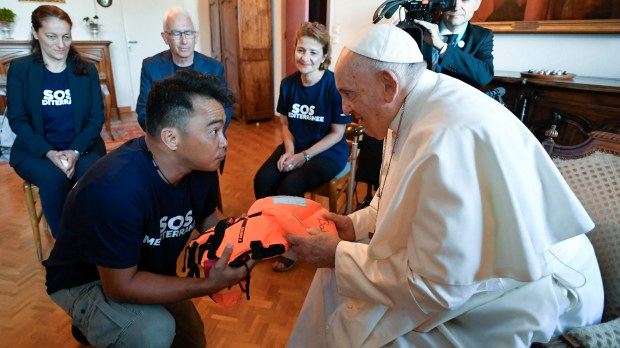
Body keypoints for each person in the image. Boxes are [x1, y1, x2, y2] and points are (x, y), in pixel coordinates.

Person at [285, 23, 604, 347]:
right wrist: (353, 226)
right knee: (334, 279)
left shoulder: (447, 140)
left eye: (349, 94)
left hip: (530, 286)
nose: (343, 108)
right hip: (468, 269)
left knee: (382, 337)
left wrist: (339, 256)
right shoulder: (409, 104)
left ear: (387, 85)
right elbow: (393, 196)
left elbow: (437, 288)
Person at [44, 70, 254, 348]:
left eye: (223, 129)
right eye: (214, 131)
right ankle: (89, 320)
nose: (224, 141)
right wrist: (207, 285)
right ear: (171, 138)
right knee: (154, 332)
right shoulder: (114, 190)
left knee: (192, 339)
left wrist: (254, 242)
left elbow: (210, 221)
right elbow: (119, 287)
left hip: (141, 268)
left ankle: (102, 326)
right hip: (87, 281)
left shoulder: (201, 167)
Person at [253, 22, 351, 272]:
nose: (305, 57)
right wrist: (289, 151)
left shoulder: (333, 85)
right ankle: (272, 233)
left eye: (313, 52)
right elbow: (285, 125)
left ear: (324, 56)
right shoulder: (288, 85)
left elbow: (337, 133)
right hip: (295, 145)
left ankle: (293, 246)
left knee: (291, 185)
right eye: (300, 50)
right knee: (262, 180)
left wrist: (303, 156)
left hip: (328, 151)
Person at [6, 5, 106, 238]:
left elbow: (95, 119)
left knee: (91, 179)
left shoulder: (87, 70)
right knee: (53, 180)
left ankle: (96, 240)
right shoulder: (21, 70)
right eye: (51, 36)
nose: (60, 44)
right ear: (35, 32)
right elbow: (18, 120)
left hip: (83, 146)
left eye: (66, 36)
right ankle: (66, 250)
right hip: (35, 150)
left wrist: (75, 151)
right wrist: (49, 153)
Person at [135, 7, 231, 131]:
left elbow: (225, 109)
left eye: (188, 33)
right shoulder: (150, 66)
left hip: (206, 137)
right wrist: (165, 138)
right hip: (167, 139)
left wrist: (210, 134)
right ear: (165, 37)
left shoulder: (214, 67)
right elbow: (144, 111)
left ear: (196, 36)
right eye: (176, 33)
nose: (184, 41)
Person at [414, 0, 494, 88]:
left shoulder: (482, 36)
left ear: (477, 4)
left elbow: (484, 77)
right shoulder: (418, 28)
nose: (456, 6)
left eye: (465, 0)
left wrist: (443, 47)